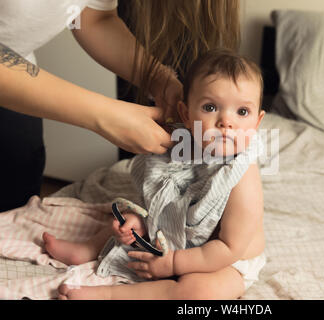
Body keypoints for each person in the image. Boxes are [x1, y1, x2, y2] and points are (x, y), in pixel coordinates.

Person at [42, 49, 267, 300]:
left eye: (242, 112)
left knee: (197, 292)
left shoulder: (242, 177)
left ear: (257, 123)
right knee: (126, 225)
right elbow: (161, 202)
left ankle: (108, 296)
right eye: (210, 107)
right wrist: (140, 221)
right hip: (177, 237)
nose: (226, 121)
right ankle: (86, 248)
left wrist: (174, 264)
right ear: (186, 114)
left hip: (224, 258)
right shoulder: (180, 149)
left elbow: (229, 247)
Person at [0, 0, 240, 212]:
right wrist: (104, 116)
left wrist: (159, 79)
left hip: (20, 80)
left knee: (15, 200)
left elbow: (92, 19)